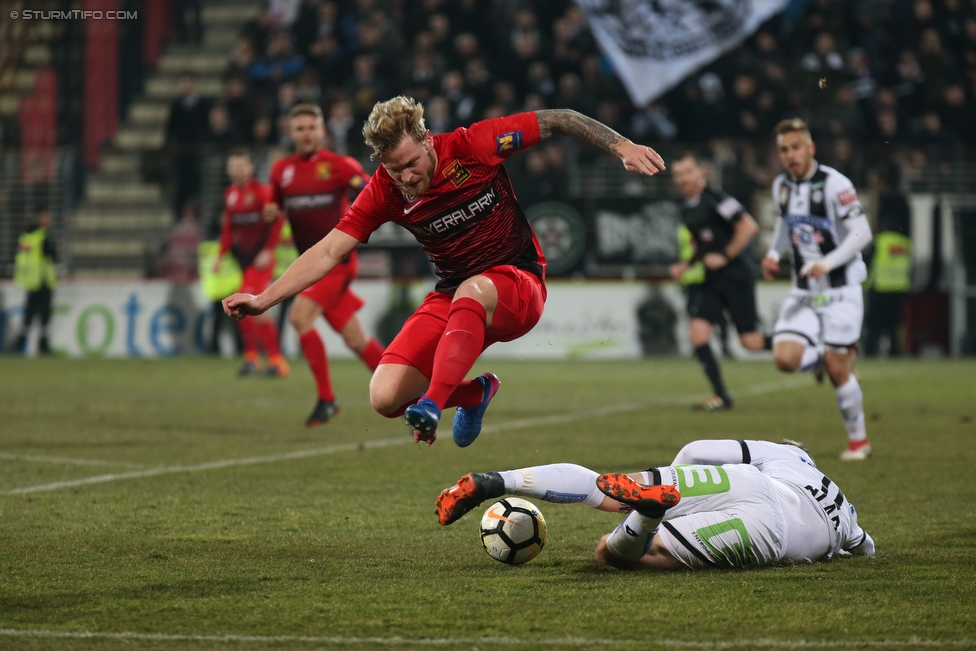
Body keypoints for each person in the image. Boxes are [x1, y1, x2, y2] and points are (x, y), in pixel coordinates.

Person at [224, 96, 666, 447]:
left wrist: (622, 147)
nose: (407, 177)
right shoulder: (383, 189)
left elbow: (559, 119)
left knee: (472, 290)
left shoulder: (474, 145)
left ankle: (433, 404)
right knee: (384, 395)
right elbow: (327, 251)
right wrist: (264, 299)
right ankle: (475, 393)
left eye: (411, 163)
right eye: (395, 170)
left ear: (429, 139)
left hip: (518, 283)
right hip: (453, 296)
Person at [436, 438, 875, 571]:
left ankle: (498, 480)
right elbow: (864, 547)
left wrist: (674, 479)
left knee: (604, 487)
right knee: (614, 552)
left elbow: (697, 447)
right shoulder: (847, 513)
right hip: (773, 533)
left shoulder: (785, 455)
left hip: (750, 482)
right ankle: (648, 516)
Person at [263, 103, 385, 427]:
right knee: (355, 339)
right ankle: (412, 389)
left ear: (322, 131)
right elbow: (273, 209)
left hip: (339, 262)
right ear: (291, 133)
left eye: (311, 127)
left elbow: (372, 190)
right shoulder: (281, 172)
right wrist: (271, 217)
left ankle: (327, 399)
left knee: (299, 317)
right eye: (299, 128)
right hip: (311, 267)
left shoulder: (339, 166)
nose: (305, 134)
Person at [761, 119, 874, 461]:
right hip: (805, 290)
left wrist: (827, 263)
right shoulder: (781, 186)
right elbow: (784, 223)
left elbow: (862, 233)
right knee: (784, 358)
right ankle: (826, 360)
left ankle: (859, 442)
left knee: (839, 370)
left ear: (810, 149)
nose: (790, 155)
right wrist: (771, 253)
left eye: (796, 147)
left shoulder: (834, 184)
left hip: (841, 289)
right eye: (784, 149)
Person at [669, 154, 764, 411]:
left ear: (702, 173)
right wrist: (686, 265)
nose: (684, 178)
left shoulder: (717, 199)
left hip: (736, 276)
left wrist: (725, 255)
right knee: (698, 335)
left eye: (688, 171)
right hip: (713, 281)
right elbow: (702, 245)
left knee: (751, 343)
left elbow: (748, 227)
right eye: (679, 174)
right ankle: (722, 396)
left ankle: (805, 351)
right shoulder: (686, 208)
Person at [213, 148, 289, 378]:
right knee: (239, 306)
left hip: (261, 260)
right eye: (233, 165)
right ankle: (252, 358)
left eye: (241, 165)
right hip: (244, 260)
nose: (237, 169)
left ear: (250, 168)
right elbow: (229, 228)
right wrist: (220, 254)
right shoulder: (230, 195)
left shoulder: (261, 192)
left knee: (255, 306)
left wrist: (268, 250)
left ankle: (277, 361)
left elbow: (276, 221)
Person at [11, 208, 58, 355]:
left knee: (29, 315)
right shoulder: (42, 236)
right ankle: (42, 346)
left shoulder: (27, 235)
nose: (49, 219)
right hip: (41, 281)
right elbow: (52, 255)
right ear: (40, 217)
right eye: (47, 216)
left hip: (31, 281)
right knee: (43, 316)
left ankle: (20, 344)